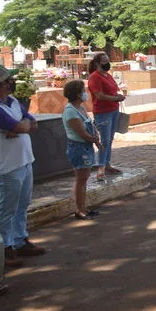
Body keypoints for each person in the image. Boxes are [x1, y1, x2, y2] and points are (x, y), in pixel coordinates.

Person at [0, 66, 44, 268]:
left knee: (22, 204)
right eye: (9, 80)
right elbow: (19, 126)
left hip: (24, 159)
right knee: (7, 208)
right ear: (1, 83)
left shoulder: (13, 102)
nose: (12, 83)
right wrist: (20, 126)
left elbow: (32, 124)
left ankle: (19, 239)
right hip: (7, 165)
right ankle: (5, 248)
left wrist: (20, 127)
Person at [62, 80, 101, 220]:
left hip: (86, 146)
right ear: (77, 94)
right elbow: (82, 134)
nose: (86, 93)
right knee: (81, 179)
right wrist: (95, 140)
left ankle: (83, 207)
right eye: (83, 91)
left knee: (84, 179)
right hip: (78, 147)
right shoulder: (70, 112)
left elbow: (90, 126)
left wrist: (95, 135)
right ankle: (79, 209)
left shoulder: (81, 109)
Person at [87, 53, 125, 181]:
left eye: (108, 61)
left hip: (113, 110)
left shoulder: (108, 75)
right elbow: (99, 95)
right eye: (104, 61)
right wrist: (116, 98)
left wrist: (118, 96)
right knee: (104, 141)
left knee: (110, 139)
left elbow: (112, 90)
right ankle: (101, 166)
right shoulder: (94, 77)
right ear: (97, 63)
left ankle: (107, 164)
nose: (107, 63)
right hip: (103, 112)